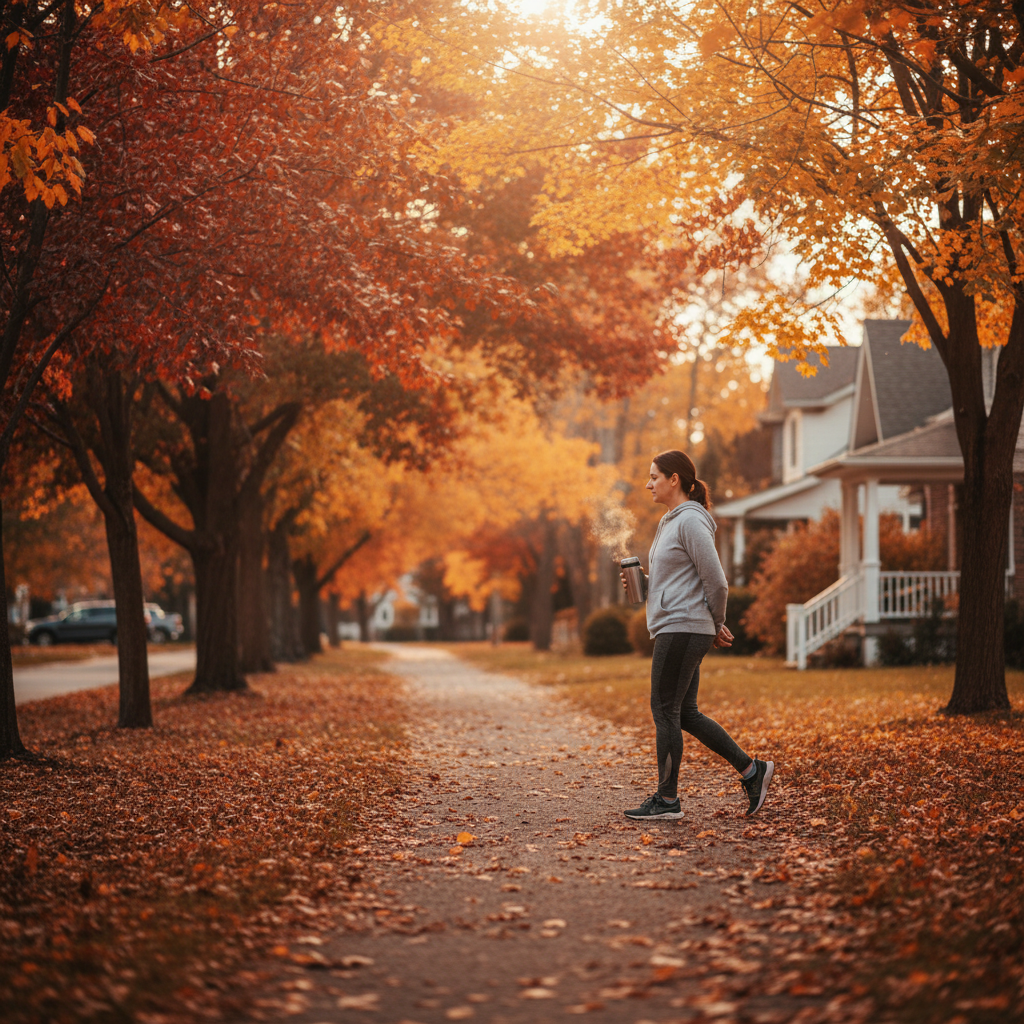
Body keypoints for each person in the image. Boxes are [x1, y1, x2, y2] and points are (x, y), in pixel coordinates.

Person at [620, 449, 774, 820]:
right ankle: (753, 771)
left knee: (664, 709)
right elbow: (680, 579)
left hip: (682, 627)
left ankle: (667, 800)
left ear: (675, 479)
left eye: (654, 476)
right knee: (684, 712)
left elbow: (716, 581)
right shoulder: (669, 522)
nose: (648, 483)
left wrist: (716, 621)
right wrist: (642, 581)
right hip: (681, 624)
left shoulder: (691, 521)